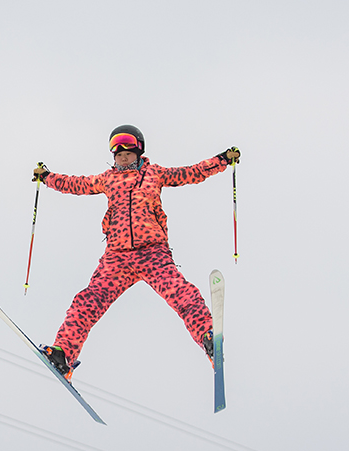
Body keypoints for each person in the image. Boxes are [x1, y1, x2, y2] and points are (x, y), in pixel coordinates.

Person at [32, 124, 240, 379]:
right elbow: (76, 184)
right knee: (86, 302)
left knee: (182, 294)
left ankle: (209, 337)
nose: (122, 155)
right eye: (117, 152)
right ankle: (63, 355)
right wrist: (48, 176)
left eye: (127, 151)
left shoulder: (155, 174)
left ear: (139, 149)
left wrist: (222, 160)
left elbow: (191, 173)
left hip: (152, 253)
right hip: (116, 258)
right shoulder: (107, 179)